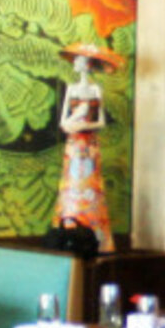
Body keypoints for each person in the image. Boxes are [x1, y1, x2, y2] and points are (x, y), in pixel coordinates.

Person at [54, 44, 123, 253]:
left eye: (80, 60)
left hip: (90, 142)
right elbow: (63, 120)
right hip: (74, 143)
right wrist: (72, 123)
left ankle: (96, 236)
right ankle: (67, 231)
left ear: (88, 65)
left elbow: (100, 122)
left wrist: (83, 123)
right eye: (76, 60)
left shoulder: (95, 90)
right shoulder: (71, 88)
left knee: (91, 185)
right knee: (71, 183)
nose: (76, 63)